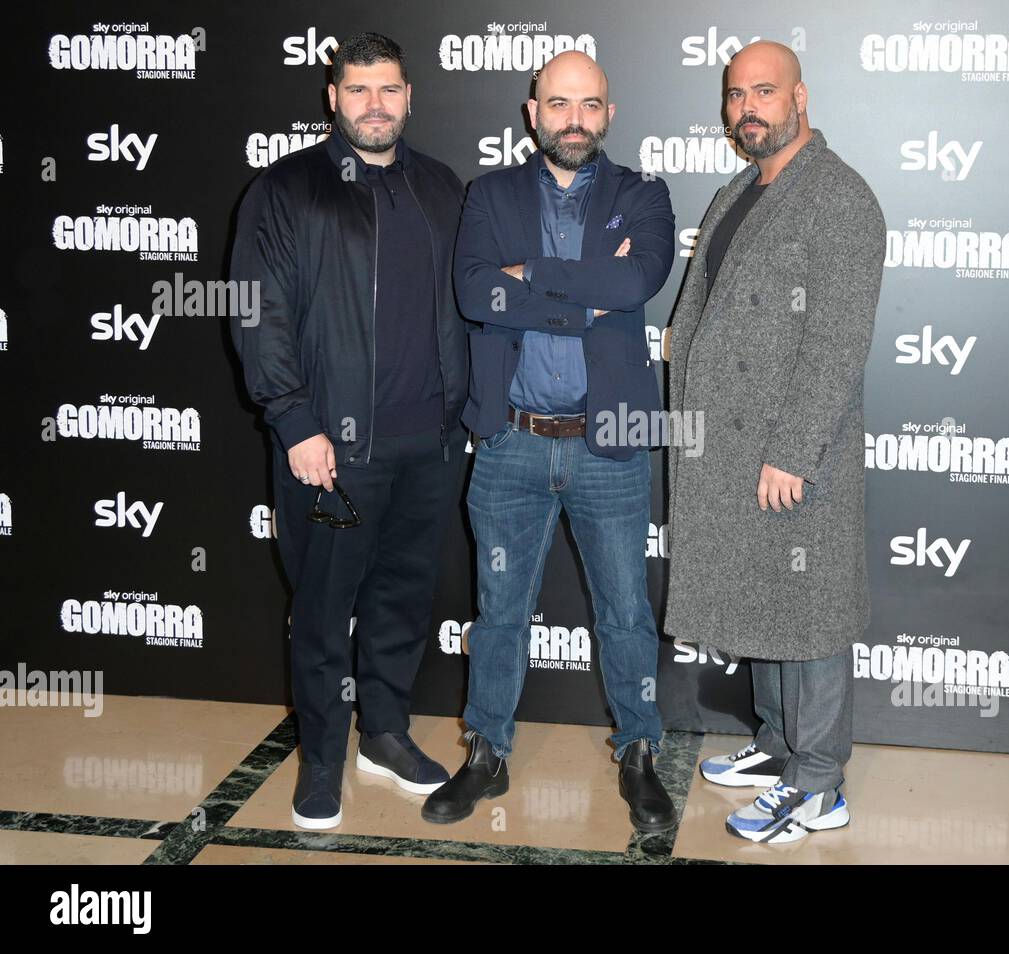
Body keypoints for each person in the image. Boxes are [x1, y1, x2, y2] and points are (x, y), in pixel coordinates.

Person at [420, 51, 678, 833]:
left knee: (627, 611)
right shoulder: (489, 194)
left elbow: (637, 286)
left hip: (611, 446)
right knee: (499, 609)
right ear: (532, 113)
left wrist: (530, 276)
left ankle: (639, 754)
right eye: (558, 104)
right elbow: (475, 291)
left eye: (589, 104)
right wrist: (582, 292)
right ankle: (486, 754)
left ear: (608, 113)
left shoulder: (643, 195)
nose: (574, 118)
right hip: (510, 447)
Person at [229, 32, 469, 829]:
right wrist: (295, 422)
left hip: (427, 449)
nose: (375, 105)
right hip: (333, 454)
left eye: (389, 90)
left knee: (403, 600)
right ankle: (323, 758)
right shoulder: (287, 189)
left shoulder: (441, 187)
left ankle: (387, 734)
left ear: (408, 97)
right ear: (332, 98)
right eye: (358, 90)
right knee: (326, 610)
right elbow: (258, 312)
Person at [664, 41, 886, 844]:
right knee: (762, 602)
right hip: (724, 447)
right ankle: (777, 742)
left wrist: (792, 450)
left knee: (807, 611)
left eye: (764, 91)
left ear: (800, 97)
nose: (747, 108)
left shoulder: (841, 197)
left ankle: (819, 780)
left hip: (792, 454)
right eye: (735, 95)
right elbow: (701, 310)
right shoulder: (737, 190)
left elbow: (835, 343)